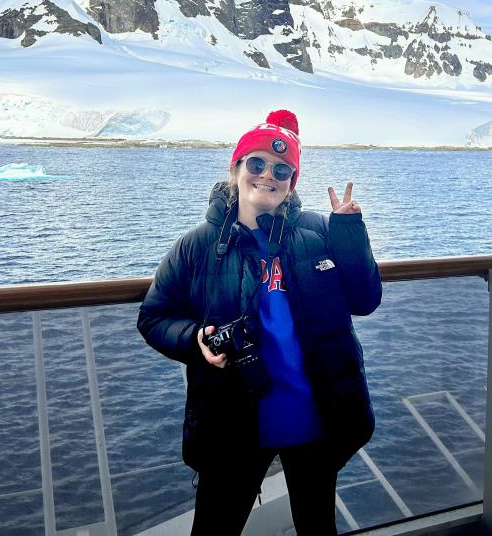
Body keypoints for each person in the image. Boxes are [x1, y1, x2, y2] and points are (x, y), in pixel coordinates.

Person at [137, 109, 382, 535]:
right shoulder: (197, 245)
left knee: (317, 528)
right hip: (233, 424)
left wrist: (349, 230)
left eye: (282, 169)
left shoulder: (320, 232)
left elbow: (365, 299)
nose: (268, 175)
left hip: (317, 419)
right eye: (257, 163)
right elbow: (154, 315)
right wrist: (193, 340)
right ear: (236, 169)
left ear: (292, 183)